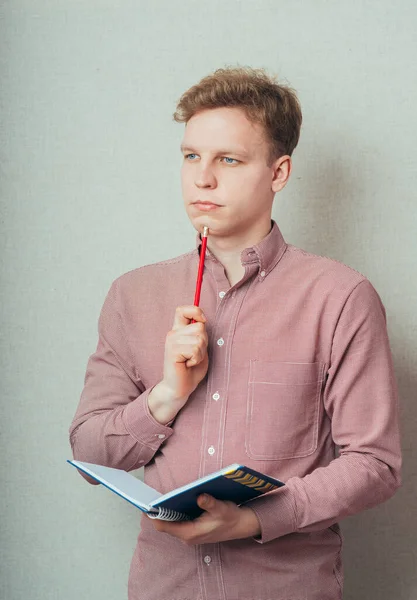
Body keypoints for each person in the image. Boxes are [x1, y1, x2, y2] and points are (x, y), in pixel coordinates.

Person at [69, 66, 402, 600]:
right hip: (162, 588)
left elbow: (374, 465)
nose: (203, 178)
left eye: (229, 159)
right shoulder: (131, 295)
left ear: (279, 172)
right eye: (191, 156)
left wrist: (252, 520)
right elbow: (88, 454)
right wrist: (167, 395)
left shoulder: (340, 297)